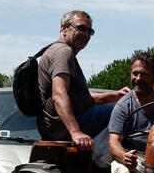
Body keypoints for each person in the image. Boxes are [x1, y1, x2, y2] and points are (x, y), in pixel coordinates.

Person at [37, 10, 129, 149]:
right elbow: (59, 95)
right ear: (64, 28)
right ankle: (113, 157)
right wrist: (76, 132)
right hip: (67, 126)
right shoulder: (63, 52)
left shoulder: (58, 51)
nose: (86, 34)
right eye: (81, 28)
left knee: (126, 102)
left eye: (90, 31)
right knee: (131, 107)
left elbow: (82, 98)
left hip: (56, 127)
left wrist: (115, 95)